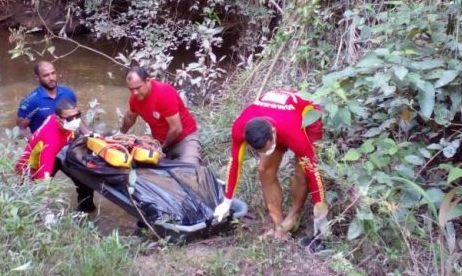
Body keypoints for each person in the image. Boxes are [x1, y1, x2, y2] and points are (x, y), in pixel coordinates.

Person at [213, 90, 328, 240]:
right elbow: (235, 162)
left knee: (303, 173)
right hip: (277, 121)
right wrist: (227, 200)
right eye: (262, 151)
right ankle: (278, 226)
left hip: (306, 118)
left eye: (268, 148)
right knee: (264, 170)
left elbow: (313, 170)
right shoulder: (240, 127)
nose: (267, 152)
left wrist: (320, 209)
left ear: (273, 133)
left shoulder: (293, 133)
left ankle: (293, 216)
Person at [14, 99, 96, 213]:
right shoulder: (50, 140)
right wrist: (45, 211)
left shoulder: (59, 120)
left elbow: (72, 127)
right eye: (70, 119)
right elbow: (44, 179)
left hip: (57, 153)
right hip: (32, 166)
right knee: (30, 200)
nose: (76, 121)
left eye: (77, 115)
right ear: (58, 119)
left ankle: (87, 211)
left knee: (84, 181)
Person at [119, 67, 201, 165]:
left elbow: (176, 128)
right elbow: (129, 117)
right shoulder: (135, 99)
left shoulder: (163, 93)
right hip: (159, 141)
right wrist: (120, 133)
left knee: (190, 169)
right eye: (131, 89)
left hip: (184, 138)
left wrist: (161, 148)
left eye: (138, 88)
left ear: (148, 80)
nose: (135, 93)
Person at [17, 60, 78, 133]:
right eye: (46, 75)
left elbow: (76, 118)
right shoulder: (30, 101)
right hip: (45, 142)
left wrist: (89, 133)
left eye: (53, 73)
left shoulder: (68, 93)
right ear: (37, 77)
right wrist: (33, 142)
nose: (51, 78)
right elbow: (21, 128)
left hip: (68, 140)